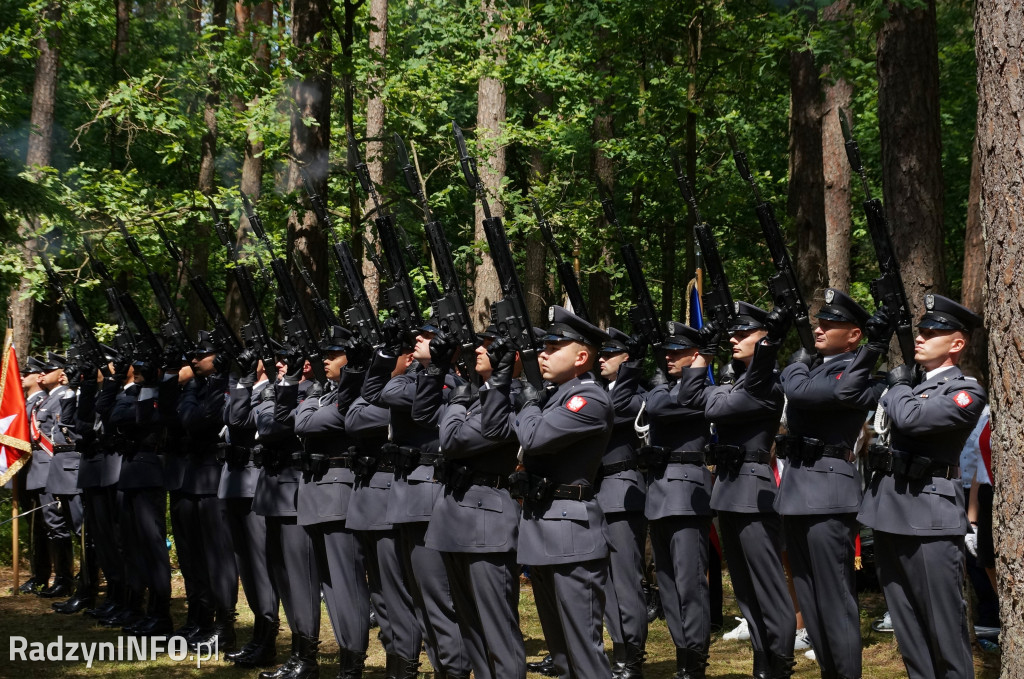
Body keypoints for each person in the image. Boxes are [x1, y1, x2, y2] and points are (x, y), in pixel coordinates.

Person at [858, 294, 987, 679]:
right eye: (921, 331)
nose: (921, 338)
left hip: (931, 521)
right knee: (909, 631)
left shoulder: (965, 390)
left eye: (933, 333)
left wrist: (897, 386)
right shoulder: (913, 385)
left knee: (944, 633)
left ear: (957, 343)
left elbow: (912, 420)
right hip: (889, 513)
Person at [678, 302, 796, 679]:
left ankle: (779, 665)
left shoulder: (767, 383)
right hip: (728, 490)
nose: (734, 337)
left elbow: (711, 406)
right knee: (745, 589)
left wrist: (770, 344)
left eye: (744, 332)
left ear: (764, 338)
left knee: (768, 587)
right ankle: (762, 662)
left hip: (751, 490)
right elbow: (691, 398)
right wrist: (706, 354)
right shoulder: (738, 382)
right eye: (733, 332)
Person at [776, 289, 883, 679]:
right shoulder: (816, 367)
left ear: (854, 335)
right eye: (819, 323)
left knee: (835, 601)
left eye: (829, 324)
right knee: (809, 597)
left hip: (828, 495)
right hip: (797, 493)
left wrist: (795, 369)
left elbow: (817, 392)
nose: (819, 329)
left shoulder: (854, 372)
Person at [362, 319, 470, 679]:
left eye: (425, 337)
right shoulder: (414, 378)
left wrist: (435, 373)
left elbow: (415, 402)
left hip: (431, 494)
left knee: (439, 601)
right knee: (423, 601)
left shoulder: (457, 383)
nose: (417, 340)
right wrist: (385, 355)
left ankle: (453, 670)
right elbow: (380, 393)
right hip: (407, 495)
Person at [513, 305, 614, 679]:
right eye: (544, 346)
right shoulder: (553, 397)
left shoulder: (588, 399)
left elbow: (533, 437)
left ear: (582, 356)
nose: (543, 353)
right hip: (543, 527)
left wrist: (528, 402)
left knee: (583, 652)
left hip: (571, 533)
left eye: (554, 346)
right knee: (560, 652)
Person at [426, 329, 526, 679]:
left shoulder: (514, 397)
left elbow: (453, 440)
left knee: (497, 630)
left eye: (488, 346)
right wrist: (437, 371)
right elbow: (423, 413)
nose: (479, 350)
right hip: (454, 516)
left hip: (487, 522)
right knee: (470, 628)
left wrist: (455, 403)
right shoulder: (475, 393)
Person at [291, 326, 372, 678]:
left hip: (339, 494)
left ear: (350, 360)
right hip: (314, 493)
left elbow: (325, 421)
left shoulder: (357, 394)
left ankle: (352, 663)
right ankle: (340, 657)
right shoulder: (325, 393)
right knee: (327, 583)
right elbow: (301, 420)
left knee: (346, 585)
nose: (324, 360)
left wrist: (315, 416)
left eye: (333, 354)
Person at [642, 322, 713, 679]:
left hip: (686, 495)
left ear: (697, 355)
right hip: (659, 493)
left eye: (678, 351)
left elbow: (666, 408)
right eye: (667, 351)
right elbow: (655, 404)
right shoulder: (668, 389)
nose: (668, 357)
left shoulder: (701, 391)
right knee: (667, 583)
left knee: (689, 583)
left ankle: (695, 661)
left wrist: (697, 371)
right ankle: (682, 650)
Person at [595, 328, 649, 677]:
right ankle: (619, 648)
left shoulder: (635, 396)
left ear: (626, 359)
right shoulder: (601, 392)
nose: (601, 358)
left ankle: (633, 655)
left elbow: (610, 414)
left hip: (621, 489)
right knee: (605, 580)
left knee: (626, 578)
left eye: (609, 353)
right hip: (598, 492)